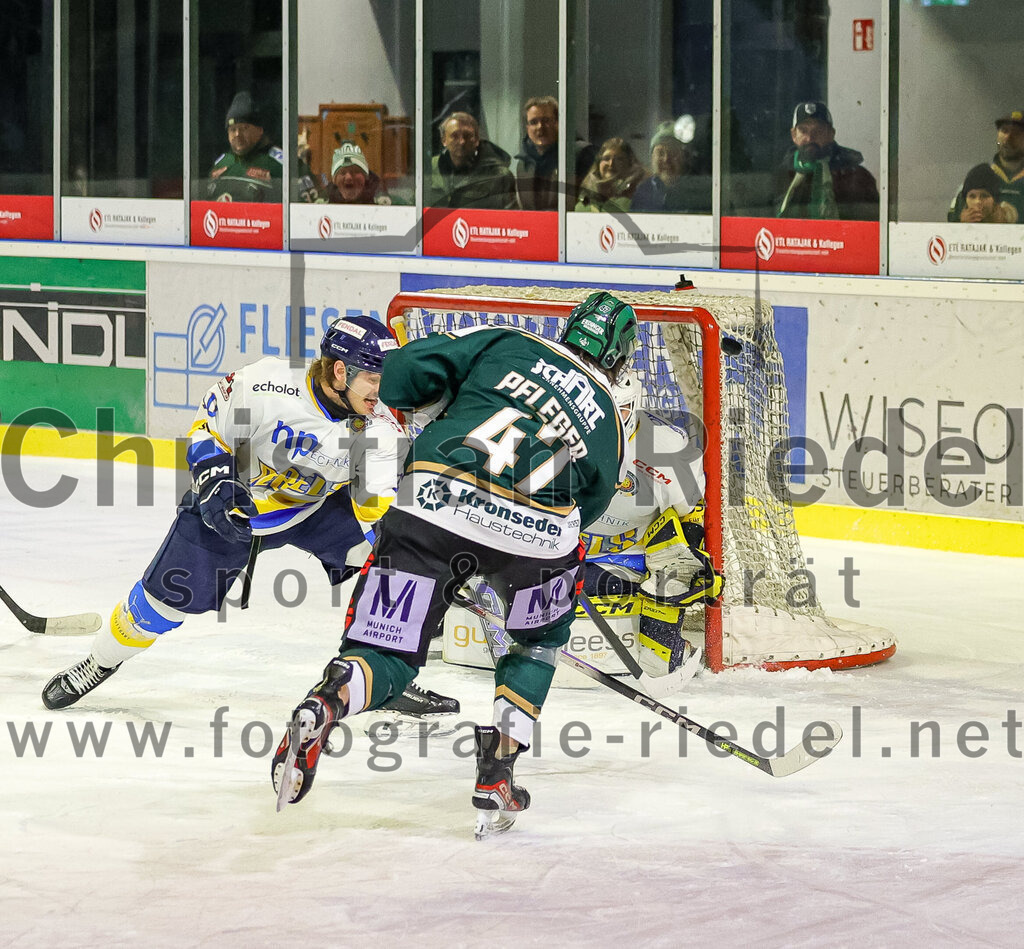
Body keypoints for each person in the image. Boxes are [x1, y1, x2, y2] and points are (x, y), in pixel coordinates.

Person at [271, 291, 638, 839]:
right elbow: (593, 506)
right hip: (535, 541)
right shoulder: (609, 417)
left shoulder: (510, 343)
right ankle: (498, 771)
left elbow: (400, 372)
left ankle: (328, 702)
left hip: (431, 506)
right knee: (536, 642)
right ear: (620, 357)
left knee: (384, 648)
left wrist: (440, 406)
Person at [41, 317, 459, 723]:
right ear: (339, 371)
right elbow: (210, 431)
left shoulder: (381, 429)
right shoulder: (266, 385)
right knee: (159, 605)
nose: (383, 390)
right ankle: (98, 663)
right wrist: (213, 483)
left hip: (317, 509)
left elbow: (376, 510)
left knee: (394, 565)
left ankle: (381, 675)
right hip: (237, 506)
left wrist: (409, 554)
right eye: (373, 377)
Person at [580, 369, 723, 676]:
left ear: (636, 405)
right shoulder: (556, 431)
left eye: (619, 409)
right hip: (565, 547)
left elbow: (690, 513)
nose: (610, 419)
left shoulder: (669, 448)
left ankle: (662, 649)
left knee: (675, 559)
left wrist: (691, 561)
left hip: (627, 557)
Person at [773, 101, 879, 221]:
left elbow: (870, 228)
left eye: (818, 131)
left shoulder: (856, 176)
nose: (810, 138)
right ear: (794, 135)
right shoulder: (782, 176)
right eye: (803, 130)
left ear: (831, 134)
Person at [428, 112, 517, 210]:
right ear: (444, 140)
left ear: (477, 140)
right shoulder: (429, 168)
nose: (462, 142)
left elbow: (510, 220)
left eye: (467, 136)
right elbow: (413, 207)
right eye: (455, 136)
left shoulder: (499, 176)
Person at [948, 110, 1024, 223]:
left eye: (1016, 133)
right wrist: (962, 221)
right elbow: (951, 221)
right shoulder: (978, 176)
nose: (1008, 138)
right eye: (1004, 131)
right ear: (998, 136)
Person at [206, 92, 284, 202]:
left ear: (260, 130)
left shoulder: (279, 163)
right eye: (233, 129)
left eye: (244, 128)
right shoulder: (222, 163)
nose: (237, 134)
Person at [631, 122, 710, 214]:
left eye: (673, 152)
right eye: (660, 153)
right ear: (652, 158)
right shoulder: (642, 191)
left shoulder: (701, 190)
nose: (666, 159)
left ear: (685, 157)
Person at [574, 137, 647, 213]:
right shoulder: (585, 200)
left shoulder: (637, 195)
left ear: (629, 164)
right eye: (606, 158)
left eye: (619, 159)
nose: (611, 163)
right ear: (598, 164)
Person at [325, 140, 393, 205]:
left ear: (365, 177)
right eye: (343, 173)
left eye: (355, 171)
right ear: (334, 180)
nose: (348, 177)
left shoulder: (387, 203)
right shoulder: (322, 203)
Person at [949, 163, 1018, 224]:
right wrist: (961, 225)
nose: (978, 201)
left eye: (984, 196)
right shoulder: (957, 218)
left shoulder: (1010, 218)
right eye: (972, 196)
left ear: (994, 200)